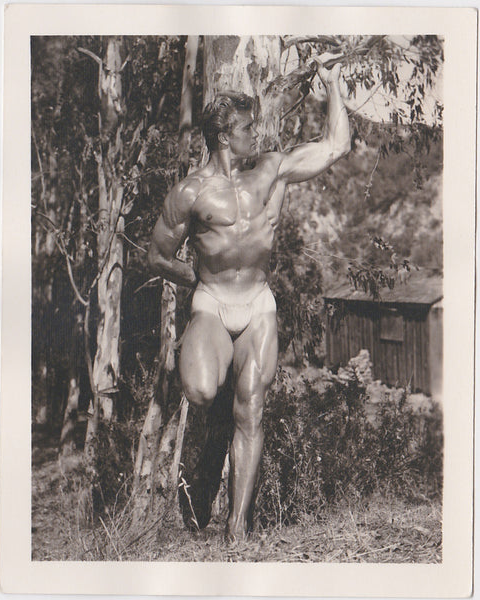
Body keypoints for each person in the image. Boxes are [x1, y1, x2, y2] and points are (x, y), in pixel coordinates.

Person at [148, 58, 350, 540]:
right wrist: (193, 277)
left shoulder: (272, 171)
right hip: (213, 303)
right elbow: (157, 256)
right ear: (223, 136)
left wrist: (334, 86)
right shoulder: (190, 192)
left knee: (252, 409)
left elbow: (336, 146)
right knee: (200, 389)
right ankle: (210, 423)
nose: (255, 136)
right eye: (245, 129)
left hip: (258, 303)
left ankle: (237, 527)